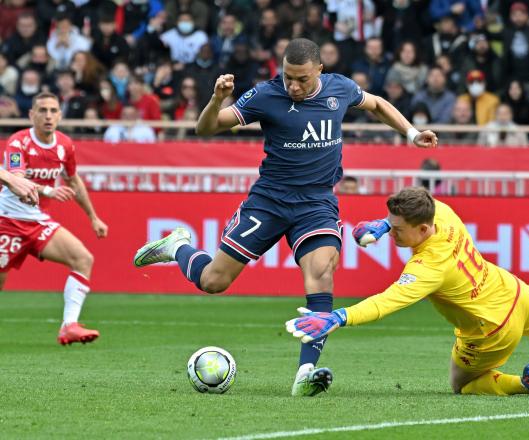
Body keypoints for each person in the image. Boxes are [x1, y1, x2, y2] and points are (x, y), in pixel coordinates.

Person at [133, 38, 438, 397]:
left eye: (302, 79)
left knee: (322, 273)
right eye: (288, 77)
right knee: (214, 281)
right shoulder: (266, 95)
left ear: (319, 71)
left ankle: (305, 372)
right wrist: (217, 99)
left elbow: (377, 104)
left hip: (316, 204)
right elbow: (206, 128)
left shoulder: (340, 88)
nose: (293, 85)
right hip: (269, 202)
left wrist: (412, 133)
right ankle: (178, 246)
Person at [286, 187, 529, 397]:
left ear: (422, 230)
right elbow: (413, 206)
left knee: (461, 386)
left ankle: (525, 384)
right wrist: (381, 225)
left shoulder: (427, 268)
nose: (394, 234)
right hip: (515, 292)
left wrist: (338, 316)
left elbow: (386, 302)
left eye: (399, 230)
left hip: (491, 329)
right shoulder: (442, 211)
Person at [0, 92, 108, 345]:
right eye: (42, 110)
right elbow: (17, 181)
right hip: (7, 221)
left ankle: (69, 326)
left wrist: (94, 217)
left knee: (83, 259)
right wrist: (48, 190)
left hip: (37, 222)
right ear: (31, 115)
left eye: (53, 111)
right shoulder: (18, 142)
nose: (48, 116)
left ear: (60, 115)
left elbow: (73, 181)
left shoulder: (65, 145)